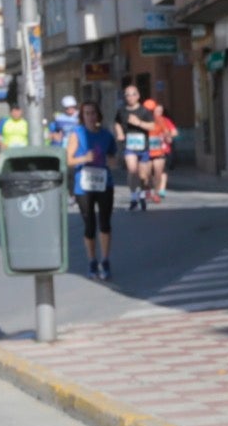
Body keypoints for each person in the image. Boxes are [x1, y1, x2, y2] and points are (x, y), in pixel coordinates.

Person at [64, 98, 118, 280]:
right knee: (89, 225)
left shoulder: (106, 135)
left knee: (105, 223)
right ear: (82, 116)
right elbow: (68, 160)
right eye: (86, 113)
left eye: (93, 113)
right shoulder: (76, 134)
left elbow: (113, 159)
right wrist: (84, 158)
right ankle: (92, 260)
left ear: (98, 115)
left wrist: (110, 162)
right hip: (83, 185)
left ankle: (106, 260)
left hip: (104, 183)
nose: (90, 116)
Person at [114, 84, 155, 213]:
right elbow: (117, 122)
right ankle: (133, 198)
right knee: (132, 170)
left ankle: (142, 195)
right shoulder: (121, 111)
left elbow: (152, 127)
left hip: (143, 146)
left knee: (143, 176)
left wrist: (139, 123)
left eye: (133, 94)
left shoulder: (144, 111)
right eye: (127, 94)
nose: (130, 97)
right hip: (129, 145)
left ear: (138, 96)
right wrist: (120, 133)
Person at [147, 101, 177, 203]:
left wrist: (166, 136)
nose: (159, 112)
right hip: (150, 150)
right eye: (157, 111)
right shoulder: (149, 120)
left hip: (163, 149)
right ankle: (151, 189)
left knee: (161, 171)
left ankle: (161, 190)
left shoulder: (165, 121)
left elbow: (174, 132)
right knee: (150, 172)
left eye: (161, 111)